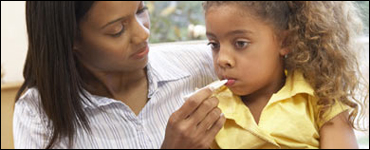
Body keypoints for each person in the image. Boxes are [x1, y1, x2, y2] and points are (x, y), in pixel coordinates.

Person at [13, 1, 226, 148]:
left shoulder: (203, 65)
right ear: (72, 39)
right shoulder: (38, 115)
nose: (143, 33)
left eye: (140, 10)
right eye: (117, 29)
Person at [203, 1, 369, 149]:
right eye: (214, 44)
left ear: (285, 42)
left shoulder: (322, 99)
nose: (222, 59)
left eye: (240, 43)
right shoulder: (210, 111)